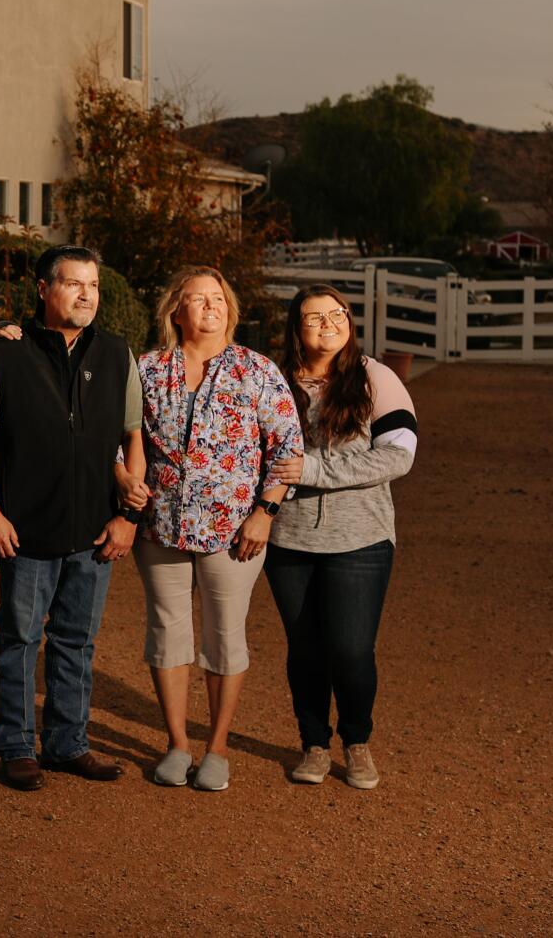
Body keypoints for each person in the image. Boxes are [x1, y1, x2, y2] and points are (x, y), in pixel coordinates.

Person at [0, 246, 149, 791]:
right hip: (25, 528)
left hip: (95, 530)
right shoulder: (6, 354)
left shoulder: (117, 354)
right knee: (19, 638)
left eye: (92, 285)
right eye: (73, 284)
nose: (86, 294)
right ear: (44, 289)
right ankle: (17, 746)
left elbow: (133, 435)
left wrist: (128, 517)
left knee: (77, 641)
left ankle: (68, 745)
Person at [134, 266, 304, 791]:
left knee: (225, 637)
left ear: (229, 308)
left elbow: (287, 448)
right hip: (160, 526)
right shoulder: (146, 369)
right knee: (168, 632)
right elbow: (122, 437)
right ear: (175, 310)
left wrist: (265, 512)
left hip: (236, 531)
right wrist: (124, 478)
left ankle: (218, 748)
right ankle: (177, 744)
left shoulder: (257, 370)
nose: (210, 307)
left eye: (218, 299)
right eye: (197, 298)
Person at [264, 284, 417, 791]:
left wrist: (313, 468)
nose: (328, 324)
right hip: (289, 539)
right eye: (314, 317)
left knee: (351, 649)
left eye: (337, 314)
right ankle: (313, 742)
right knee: (305, 648)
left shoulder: (376, 377)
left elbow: (398, 454)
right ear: (296, 327)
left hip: (362, 539)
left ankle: (356, 741)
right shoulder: (274, 380)